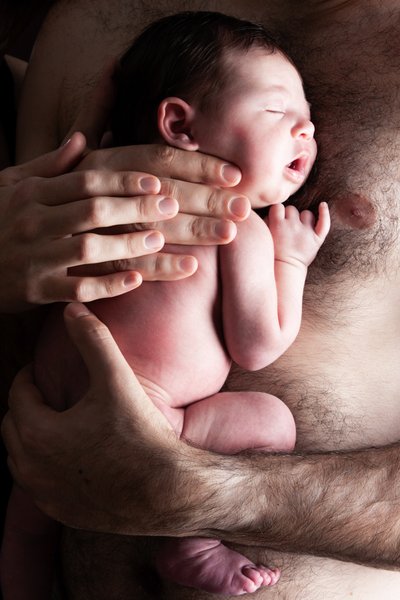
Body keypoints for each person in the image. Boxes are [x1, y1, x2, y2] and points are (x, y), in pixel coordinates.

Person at [2, 0, 400, 598]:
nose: (305, 130)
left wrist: (203, 492)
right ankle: (190, 547)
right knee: (267, 419)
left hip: (53, 412)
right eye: (277, 112)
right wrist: (289, 261)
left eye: (306, 118)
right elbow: (259, 341)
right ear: (178, 125)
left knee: (22, 539)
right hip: (120, 435)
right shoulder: (83, 23)